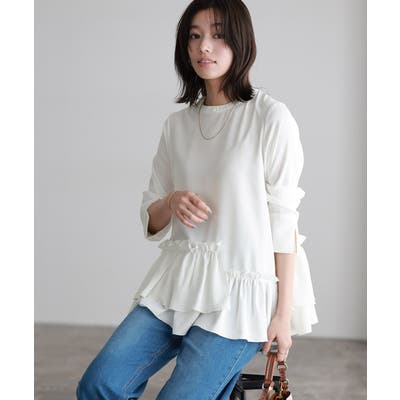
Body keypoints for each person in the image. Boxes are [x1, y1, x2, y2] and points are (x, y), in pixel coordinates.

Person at [76, 1, 318, 399]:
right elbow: (152, 218)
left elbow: (285, 221)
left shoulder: (270, 118)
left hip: (241, 295)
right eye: (195, 35)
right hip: (178, 284)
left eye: (218, 34)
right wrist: (172, 201)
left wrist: (282, 315)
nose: (204, 45)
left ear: (241, 42)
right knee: (100, 384)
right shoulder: (177, 126)